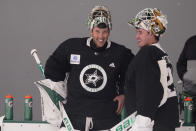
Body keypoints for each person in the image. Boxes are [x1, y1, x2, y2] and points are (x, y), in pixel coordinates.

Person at [44, 5, 134, 130]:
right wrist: (59, 89)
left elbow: (132, 75)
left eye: (105, 32)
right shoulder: (72, 47)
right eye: (97, 31)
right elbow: (52, 68)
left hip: (106, 118)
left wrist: (124, 94)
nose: (101, 37)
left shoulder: (120, 53)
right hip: (74, 117)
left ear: (109, 31)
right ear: (91, 30)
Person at [125, 8, 179, 131]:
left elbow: (150, 90)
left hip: (151, 124)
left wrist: (141, 123)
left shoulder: (147, 53)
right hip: (164, 122)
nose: (137, 36)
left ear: (151, 32)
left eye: (140, 32)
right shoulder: (160, 53)